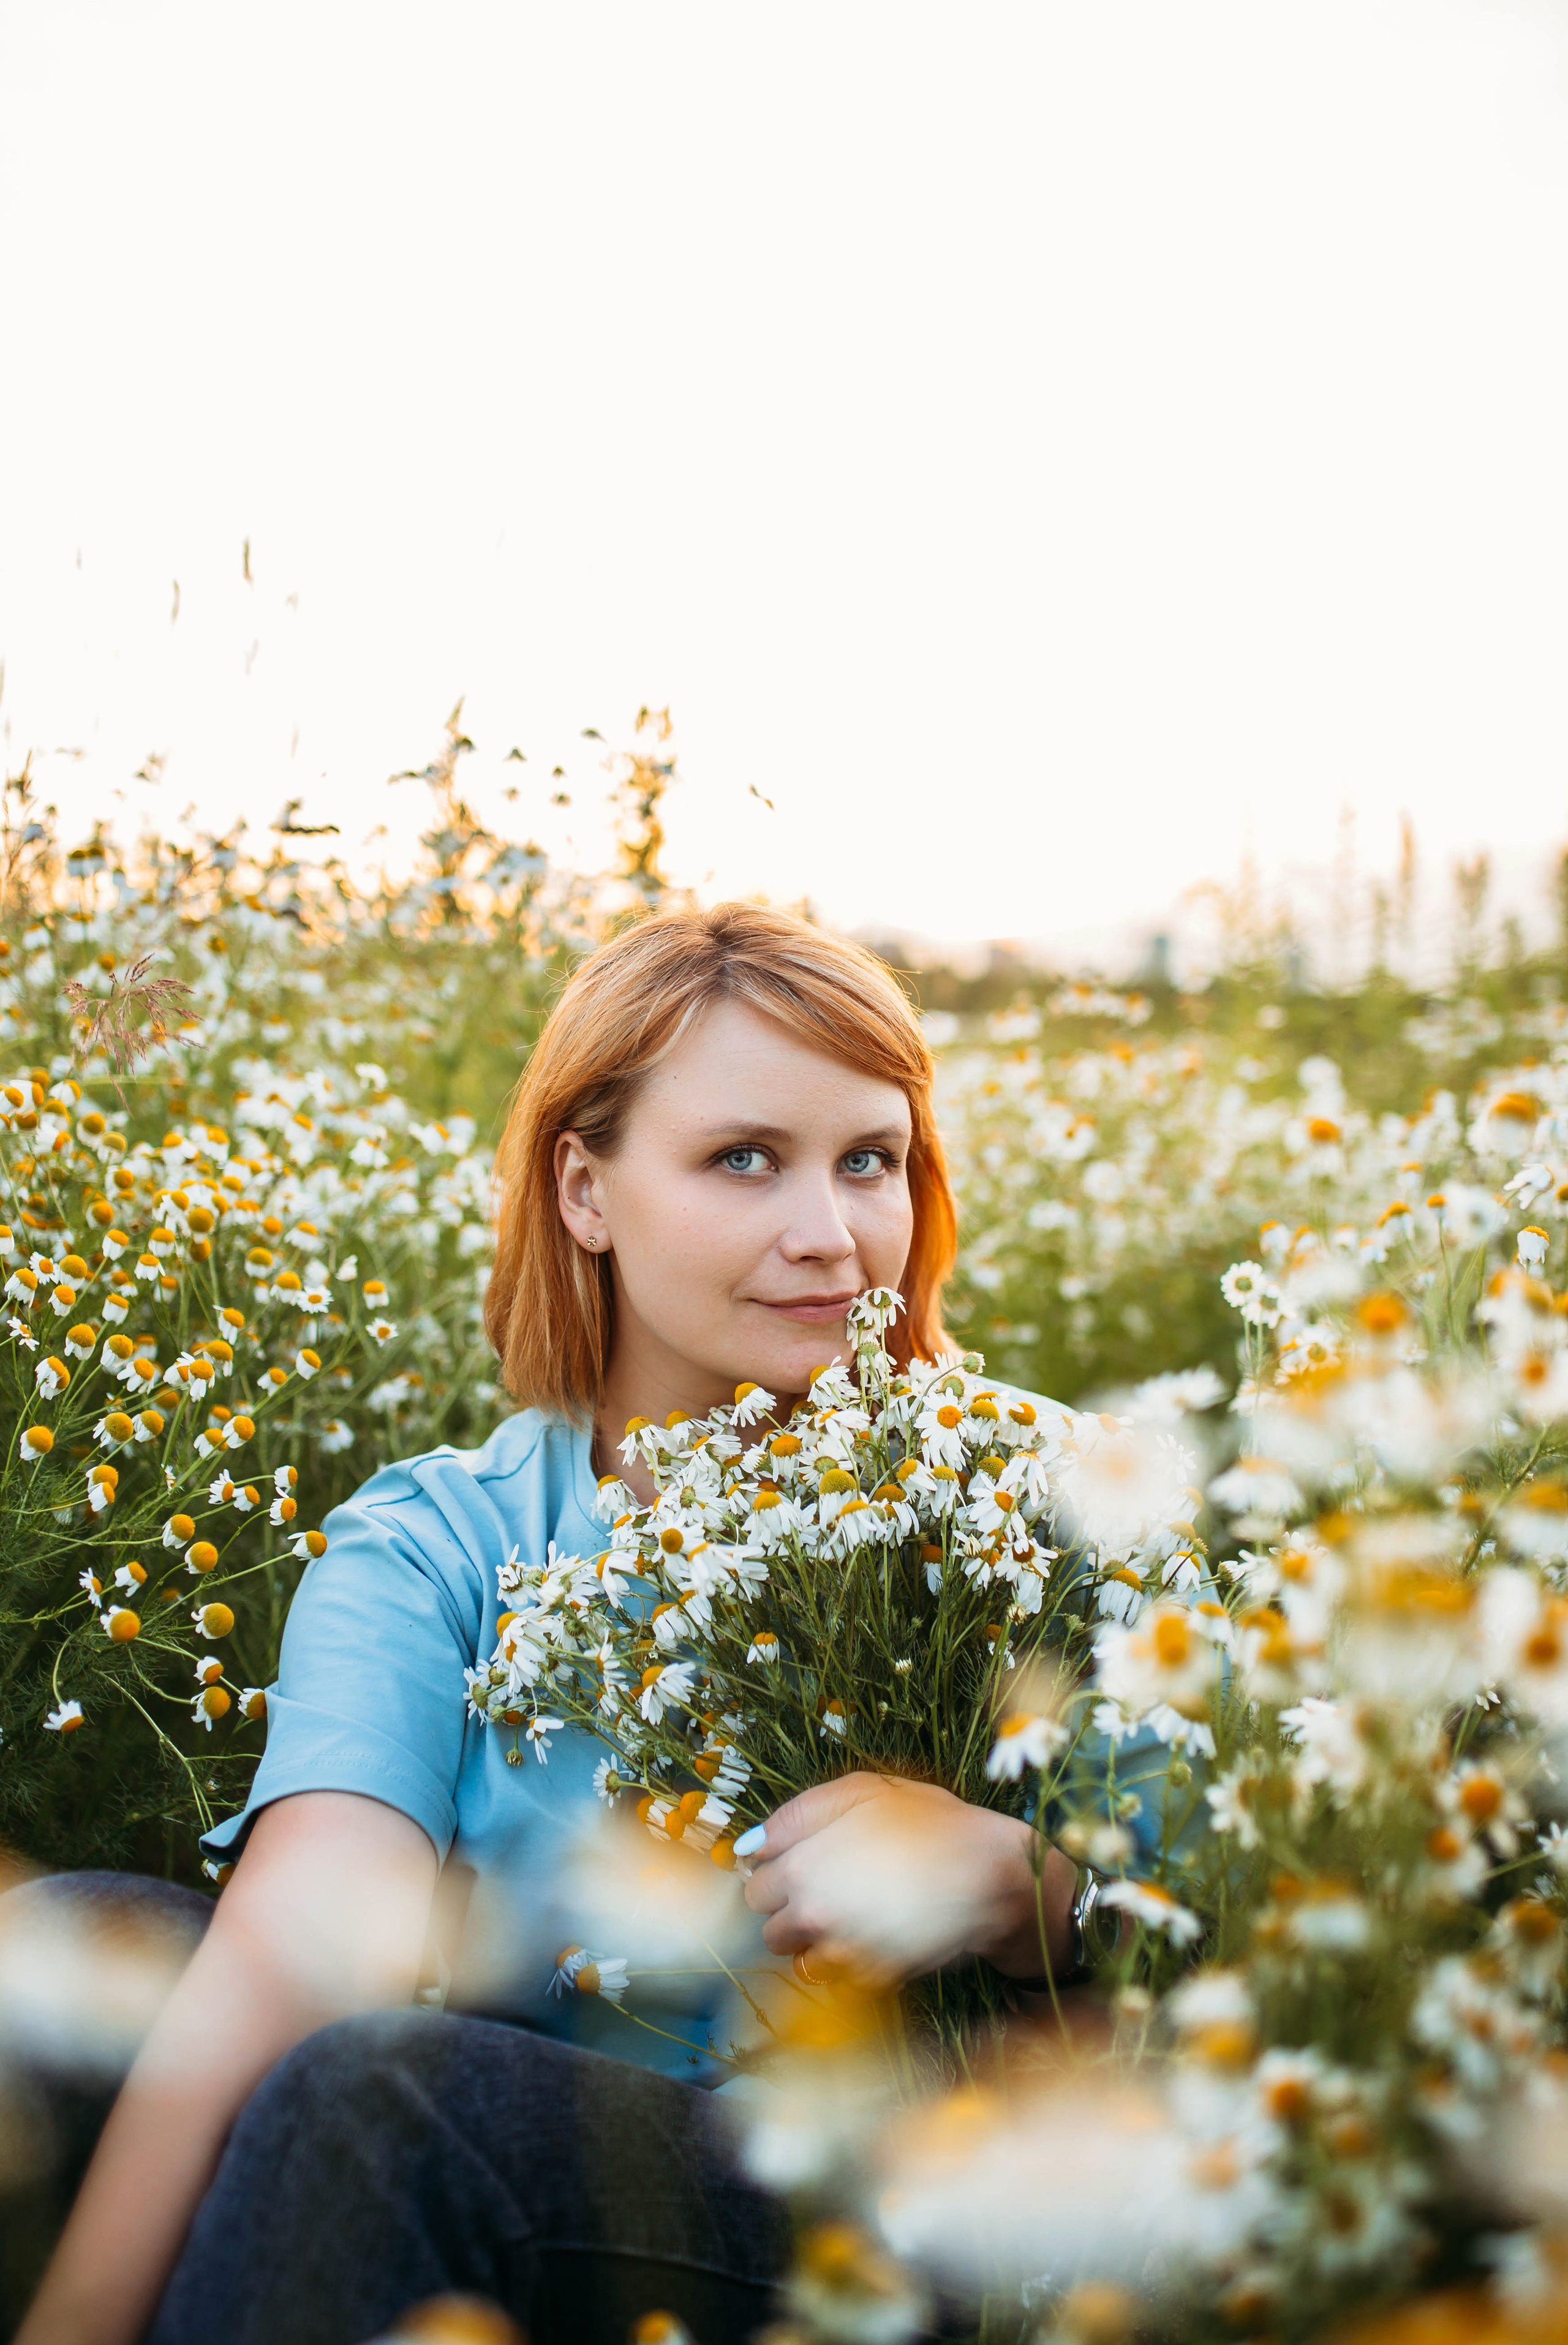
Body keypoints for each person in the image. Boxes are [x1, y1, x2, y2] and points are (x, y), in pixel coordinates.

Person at [16, 904, 1080, 2345]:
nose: (829, 1238)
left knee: (387, 2099)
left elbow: (1244, 1923)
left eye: (868, 1161)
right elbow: (308, 1938)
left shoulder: (1034, 1497)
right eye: (743, 1158)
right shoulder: (442, 1540)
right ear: (584, 1190)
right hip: (505, 2179)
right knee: (72, 1943)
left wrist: (1025, 1889)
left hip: (883, 2220)